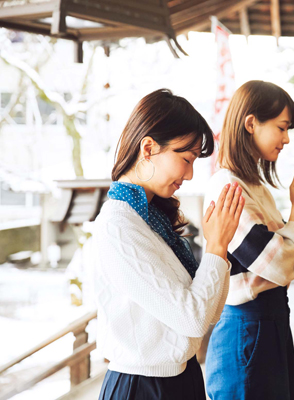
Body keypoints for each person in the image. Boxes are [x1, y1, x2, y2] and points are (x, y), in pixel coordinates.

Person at [93, 89, 244, 400]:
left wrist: (219, 247)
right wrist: (216, 245)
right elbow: (194, 319)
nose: (189, 174)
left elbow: (208, 311)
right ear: (148, 147)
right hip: (142, 386)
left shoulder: (150, 216)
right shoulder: (119, 225)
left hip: (180, 376)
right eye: (186, 159)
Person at [204, 80, 294, 400]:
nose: (286, 139)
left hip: (269, 322)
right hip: (247, 328)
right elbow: (282, 264)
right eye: (282, 128)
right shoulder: (227, 188)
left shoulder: (254, 185)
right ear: (251, 123)